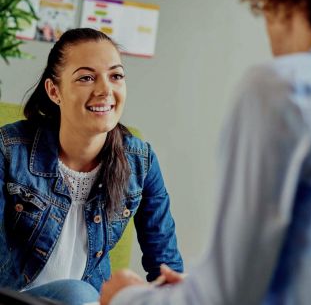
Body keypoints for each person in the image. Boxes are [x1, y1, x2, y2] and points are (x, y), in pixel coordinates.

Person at [100, 0, 311, 304]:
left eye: (116, 75)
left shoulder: (286, 89)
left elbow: (224, 296)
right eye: (85, 77)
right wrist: (190, 287)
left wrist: (124, 297)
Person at [0, 28, 183, 305]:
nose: (105, 90)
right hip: (14, 299)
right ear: (54, 91)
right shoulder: (9, 149)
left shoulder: (140, 162)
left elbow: (166, 266)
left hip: (88, 302)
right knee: (78, 293)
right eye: (86, 77)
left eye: (116, 76)